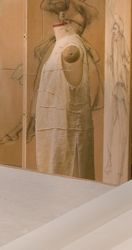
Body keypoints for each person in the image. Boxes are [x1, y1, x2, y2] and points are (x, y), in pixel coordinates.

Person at [35, 21, 94, 179]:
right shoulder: (60, 45)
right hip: (56, 127)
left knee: (69, 175)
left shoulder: (70, 48)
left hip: (69, 130)